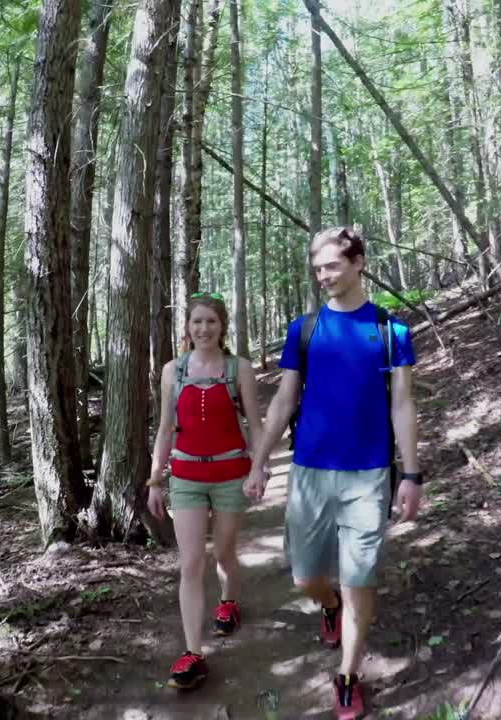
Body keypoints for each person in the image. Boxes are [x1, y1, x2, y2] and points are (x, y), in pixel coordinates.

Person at [244, 226, 423, 719]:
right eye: (317, 268)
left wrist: (411, 475)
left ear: (358, 262)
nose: (323, 276)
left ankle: (347, 674)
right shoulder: (304, 329)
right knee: (306, 576)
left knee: (358, 576)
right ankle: (328, 608)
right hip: (309, 472)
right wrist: (259, 461)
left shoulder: (391, 331)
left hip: (369, 474)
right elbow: (283, 400)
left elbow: (403, 405)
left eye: (332, 266)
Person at [147, 292, 264, 691]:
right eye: (197, 322)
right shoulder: (171, 371)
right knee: (191, 562)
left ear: (222, 326)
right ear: (188, 327)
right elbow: (164, 428)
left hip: (232, 474)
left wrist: (259, 467)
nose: (203, 329)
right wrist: (155, 480)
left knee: (225, 553)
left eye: (211, 322)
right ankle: (193, 653)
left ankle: (228, 600)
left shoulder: (239, 368)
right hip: (186, 479)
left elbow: (256, 424)